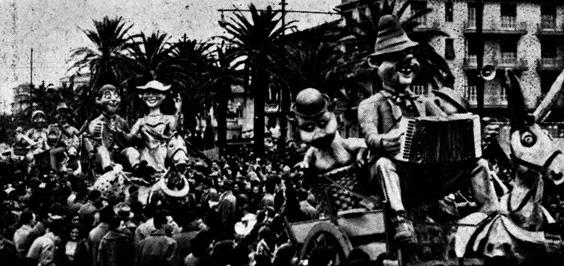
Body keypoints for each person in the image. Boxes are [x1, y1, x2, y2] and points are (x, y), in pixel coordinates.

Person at [357, 14, 499, 244]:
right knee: (384, 163)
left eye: (409, 57)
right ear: (377, 66)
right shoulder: (370, 105)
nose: (407, 63)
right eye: (396, 58)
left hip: (429, 175)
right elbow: (370, 137)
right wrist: (384, 142)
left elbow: (448, 125)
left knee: (478, 165)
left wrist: (473, 136)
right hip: (397, 177)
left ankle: (491, 215)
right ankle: (400, 218)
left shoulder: (425, 102)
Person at [293, 88, 366, 173]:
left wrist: (361, 153)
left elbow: (364, 145)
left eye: (323, 124)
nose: (319, 134)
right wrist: (304, 166)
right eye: (309, 128)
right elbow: (306, 163)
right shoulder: (312, 153)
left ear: (335, 117)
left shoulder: (343, 144)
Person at [124, 80, 178, 177]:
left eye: (156, 92)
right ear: (143, 96)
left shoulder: (169, 119)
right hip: (145, 153)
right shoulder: (141, 121)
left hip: (162, 152)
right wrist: (119, 131)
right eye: (148, 93)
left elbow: (172, 138)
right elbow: (130, 138)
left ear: (164, 96)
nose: (151, 96)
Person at [83, 84, 132, 173]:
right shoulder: (97, 121)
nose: (113, 100)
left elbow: (129, 138)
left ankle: (138, 166)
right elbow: (92, 131)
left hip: (120, 153)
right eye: (108, 97)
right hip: (105, 154)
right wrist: (95, 131)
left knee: (131, 150)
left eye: (116, 97)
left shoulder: (121, 121)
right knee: (102, 150)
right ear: (98, 100)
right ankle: (107, 168)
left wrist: (122, 133)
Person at [47, 103, 81, 173]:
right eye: (60, 112)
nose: (62, 115)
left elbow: (78, 138)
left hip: (68, 148)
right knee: (51, 152)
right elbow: (49, 138)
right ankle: (53, 170)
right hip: (56, 147)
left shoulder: (71, 128)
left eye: (64, 112)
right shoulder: (52, 127)